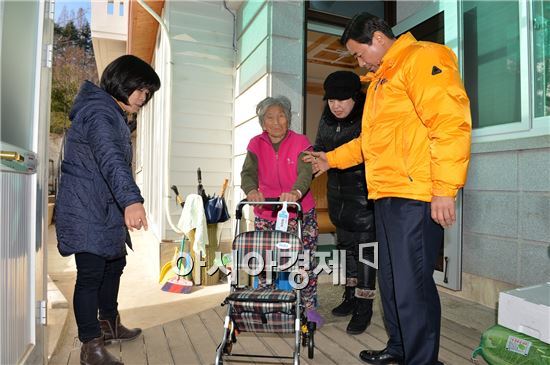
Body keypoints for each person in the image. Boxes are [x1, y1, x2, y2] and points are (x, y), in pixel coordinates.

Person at [306, 13, 471, 365]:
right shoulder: (381, 80)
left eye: (358, 53)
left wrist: (444, 188)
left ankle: (421, 359)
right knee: (393, 282)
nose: (358, 61)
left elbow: (450, 124)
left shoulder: (423, 58)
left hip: (414, 195)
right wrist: (330, 160)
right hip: (385, 195)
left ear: (378, 38)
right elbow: (371, 142)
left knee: (413, 285)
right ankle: (400, 348)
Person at [55, 55, 161, 365]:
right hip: (87, 208)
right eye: (140, 89)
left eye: (148, 93)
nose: (144, 98)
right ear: (121, 82)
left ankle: (109, 322)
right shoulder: (100, 112)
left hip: (101, 206)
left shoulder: (112, 112)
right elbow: (111, 158)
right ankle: (91, 345)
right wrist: (131, 199)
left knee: (113, 264)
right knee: (90, 274)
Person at [240, 96, 324, 328]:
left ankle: (308, 307)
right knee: (265, 261)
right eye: (270, 117)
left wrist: (296, 191)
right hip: (267, 212)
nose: (276, 121)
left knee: (304, 259)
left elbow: (305, 172)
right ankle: (268, 305)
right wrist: (251, 190)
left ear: (288, 118)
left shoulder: (300, 142)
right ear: (263, 122)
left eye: (281, 116)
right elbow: (247, 173)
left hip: (299, 212)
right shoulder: (255, 144)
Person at [312, 70, 376, 335]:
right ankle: (350, 297)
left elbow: (369, 152)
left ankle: (364, 307)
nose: (336, 105)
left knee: (366, 256)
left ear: (355, 97)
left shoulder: (369, 116)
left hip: (364, 198)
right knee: (346, 250)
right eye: (331, 100)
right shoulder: (327, 118)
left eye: (342, 99)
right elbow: (318, 149)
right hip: (338, 198)